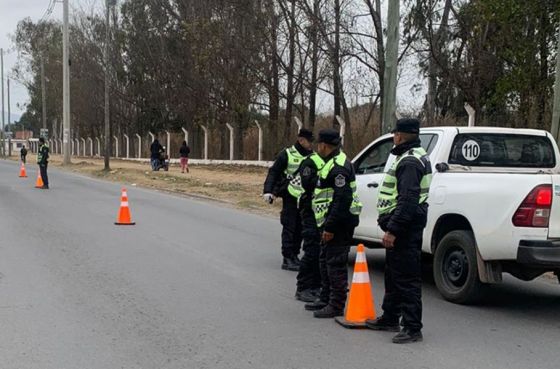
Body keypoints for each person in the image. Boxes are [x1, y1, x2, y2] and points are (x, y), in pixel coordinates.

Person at [365, 118, 432, 344]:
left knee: (406, 279)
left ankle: (413, 327)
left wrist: (393, 230)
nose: (394, 136)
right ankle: (391, 317)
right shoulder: (409, 156)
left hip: (405, 228)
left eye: (395, 133)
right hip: (405, 226)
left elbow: (408, 201)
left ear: (400, 136)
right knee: (394, 275)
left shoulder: (410, 162)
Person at [304, 129, 362, 318]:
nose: (317, 147)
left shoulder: (339, 168)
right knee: (325, 261)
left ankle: (336, 305)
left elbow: (341, 200)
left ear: (324, 145)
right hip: (329, 222)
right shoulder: (331, 163)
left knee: (335, 264)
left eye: (319, 144)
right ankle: (325, 298)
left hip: (338, 224)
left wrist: (330, 227)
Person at [263, 128, 314, 271]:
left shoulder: (312, 156)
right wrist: (268, 190)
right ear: (301, 140)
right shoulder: (287, 154)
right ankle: (287, 258)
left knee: (301, 228)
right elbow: (274, 172)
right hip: (290, 196)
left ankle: (295, 255)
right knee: (289, 227)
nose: (311, 144)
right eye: (309, 141)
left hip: (304, 198)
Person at [290, 150, 325, 302]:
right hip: (310, 211)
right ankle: (303, 287)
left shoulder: (332, 161)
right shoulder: (311, 162)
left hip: (322, 212)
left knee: (320, 253)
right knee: (312, 250)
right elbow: (307, 183)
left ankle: (316, 286)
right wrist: (324, 180)